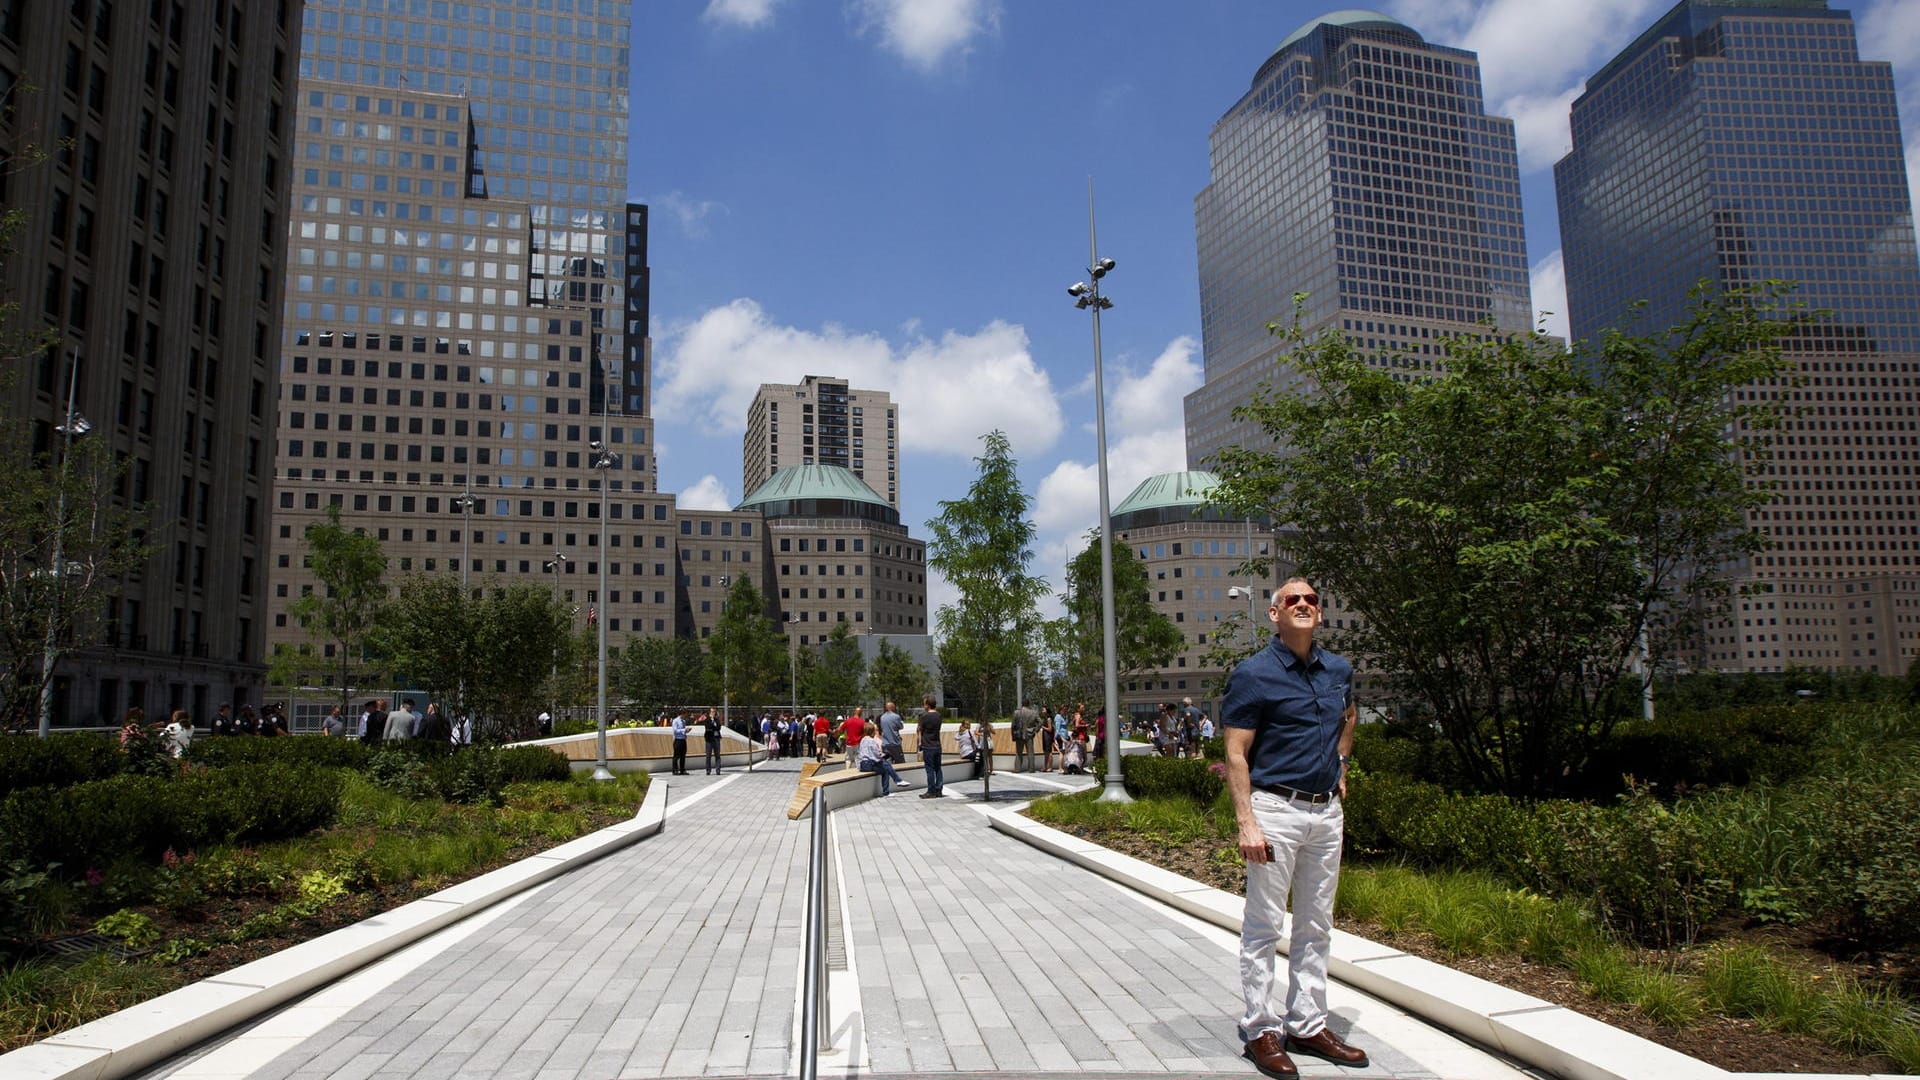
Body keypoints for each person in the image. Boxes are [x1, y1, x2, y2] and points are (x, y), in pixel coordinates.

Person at [1225, 579, 1366, 1076]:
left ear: (1320, 615)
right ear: (1274, 614)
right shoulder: (1254, 674)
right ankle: (1261, 1028)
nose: (1303, 605)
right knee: (1264, 925)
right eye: (1292, 600)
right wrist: (1247, 822)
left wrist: (1342, 764)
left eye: (1311, 600)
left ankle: (1307, 1024)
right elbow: (1236, 753)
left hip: (1326, 813)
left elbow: (1349, 716)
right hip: (1276, 811)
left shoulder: (1338, 670)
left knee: (1315, 924)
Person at [855, 729, 909, 796]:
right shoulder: (871, 741)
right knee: (886, 764)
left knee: (885, 770)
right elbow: (876, 754)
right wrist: (885, 756)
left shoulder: (863, 740)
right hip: (868, 764)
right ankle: (897, 781)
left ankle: (888, 790)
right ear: (871, 732)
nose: (875, 732)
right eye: (874, 731)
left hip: (862, 765)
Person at [916, 694, 944, 799]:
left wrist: (919, 743)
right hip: (937, 745)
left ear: (927, 705)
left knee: (930, 769)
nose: (923, 706)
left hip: (928, 746)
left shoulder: (924, 717)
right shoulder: (939, 716)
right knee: (938, 768)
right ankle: (939, 789)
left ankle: (931, 791)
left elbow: (920, 730)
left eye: (924, 704)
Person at [1011, 700, 1037, 772]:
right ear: (1029, 704)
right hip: (1030, 734)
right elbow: (1040, 722)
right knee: (1030, 752)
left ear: (1022, 704)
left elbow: (1013, 725)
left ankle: (1017, 769)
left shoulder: (1016, 712)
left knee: (1019, 752)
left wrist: (1013, 736)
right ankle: (1031, 769)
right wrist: (1035, 730)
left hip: (1019, 734)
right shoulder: (1033, 712)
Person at [670, 709, 690, 775]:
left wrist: (686, 731)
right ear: (682, 714)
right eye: (685, 714)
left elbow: (682, 730)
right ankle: (675, 770)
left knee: (683, 755)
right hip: (678, 740)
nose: (686, 716)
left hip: (683, 739)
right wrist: (684, 730)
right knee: (676, 756)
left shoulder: (683, 721)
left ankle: (682, 770)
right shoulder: (675, 721)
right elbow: (675, 730)